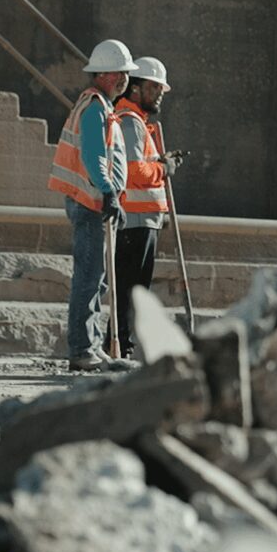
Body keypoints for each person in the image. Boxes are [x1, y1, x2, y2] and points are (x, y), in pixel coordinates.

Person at [48, 39, 135, 371]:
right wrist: (109, 192)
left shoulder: (98, 106)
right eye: (125, 74)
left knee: (95, 278)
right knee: (88, 277)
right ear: (113, 76)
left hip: (90, 201)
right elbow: (95, 155)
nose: (127, 80)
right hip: (89, 202)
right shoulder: (96, 107)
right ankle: (82, 349)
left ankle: (91, 346)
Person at [109, 55, 173, 358]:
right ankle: (121, 344)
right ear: (135, 88)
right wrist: (165, 169)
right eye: (154, 86)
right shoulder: (131, 123)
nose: (159, 93)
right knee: (130, 289)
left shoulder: (135, 122)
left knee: (130, 289)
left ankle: (121, 343)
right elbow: (136, 172)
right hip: (135, 222)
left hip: (141, 220)